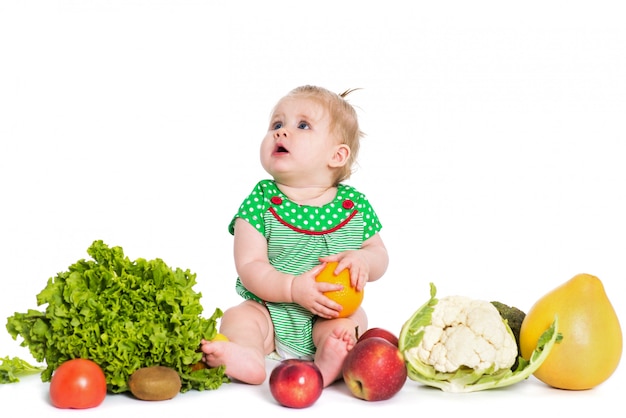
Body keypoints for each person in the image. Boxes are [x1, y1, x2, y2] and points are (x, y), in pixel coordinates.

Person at [200, 85, 389, 387]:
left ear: (337, 155)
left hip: (330, 311)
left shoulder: (356, 206)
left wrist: (362, 258)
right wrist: (291, 288)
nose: (281, 133)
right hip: (268, 311)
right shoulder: (260, 201)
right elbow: (249, 266)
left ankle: (331, 364)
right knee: (239, 317)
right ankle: (248, 355)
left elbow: (379, 255)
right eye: (277, 124)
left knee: (349, 327)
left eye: (302, 125)